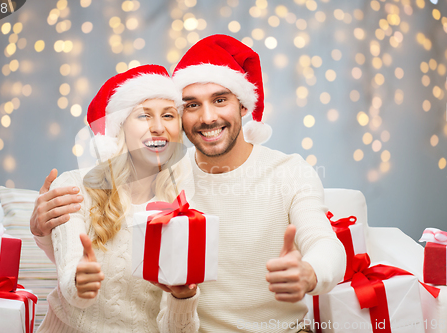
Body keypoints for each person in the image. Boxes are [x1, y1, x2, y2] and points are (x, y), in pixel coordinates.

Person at [32, 35, 346, 333]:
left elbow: (323, 242)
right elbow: (105, 239)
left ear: (243, 106)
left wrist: (310, 273)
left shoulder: (288, 172)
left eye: (220, 100)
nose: (207, 118)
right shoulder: (163, 175)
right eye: (192, 105)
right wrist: (43, 229)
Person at [34, 64, 200, 333]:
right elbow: (70, 276)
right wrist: (79, 282)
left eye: (168, 116)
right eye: (144, 116)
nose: (158, 127)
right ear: (120, 127)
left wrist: (183, 297)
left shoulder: (184, 206)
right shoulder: (76, 185)